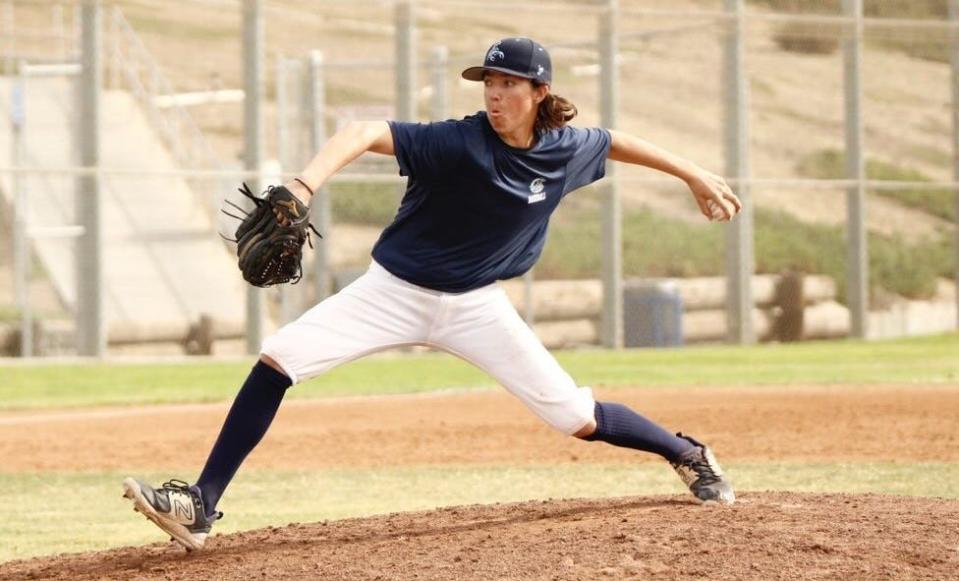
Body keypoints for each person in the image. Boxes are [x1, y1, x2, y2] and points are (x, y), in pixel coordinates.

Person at [122, 37, 742, 551]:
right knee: (279, 359)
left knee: (574, 416)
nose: (495, 95)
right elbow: (364, 130)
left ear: (539, 93)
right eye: (488, 83)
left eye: (508, 84)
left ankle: (687, 453)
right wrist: (303, 184)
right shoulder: (457, 142)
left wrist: (692, 173)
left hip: (476, 305)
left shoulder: (563, 150)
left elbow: (613, 141)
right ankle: (202, 504)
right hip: (392, 292)